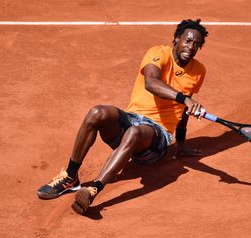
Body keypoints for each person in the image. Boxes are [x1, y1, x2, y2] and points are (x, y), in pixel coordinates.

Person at [37, 19, 209, 215]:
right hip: (133, 118)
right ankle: (70, 177)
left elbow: (184, 110)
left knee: (135, 132)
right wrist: (184, 99)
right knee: (97, 112)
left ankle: (94, 189)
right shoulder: (158, 53)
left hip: (157, 138)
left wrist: (180, 144)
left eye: (196, 44)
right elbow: (151, 83)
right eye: (187, 41)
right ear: (176, 39)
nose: (191, 47)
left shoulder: (198, 71)